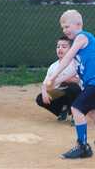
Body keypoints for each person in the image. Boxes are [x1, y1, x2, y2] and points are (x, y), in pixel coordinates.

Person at [45, 9, 95, 159]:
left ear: (78, 24)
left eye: (67, 26)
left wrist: (53, 77)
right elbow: (78, 68)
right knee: (92, 112)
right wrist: (58, 80)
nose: (64, 30)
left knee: (76, 108)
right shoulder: (79, 44)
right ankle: (83, 146)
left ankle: (82, 146)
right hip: (89, 84)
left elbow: (67, 59)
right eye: (62, 27)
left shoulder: (82, 37)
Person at [36, 36, 81, 122]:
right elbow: (46, 83)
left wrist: (63, 79)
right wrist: (44, 91)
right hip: (61, 91)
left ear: (71, 50)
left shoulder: (75, 63)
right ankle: (62, 110)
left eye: (64, 47)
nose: (60, 49)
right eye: (58, 46)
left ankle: (76, 114)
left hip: (78, 93)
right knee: (40, 98)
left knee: (71, 87)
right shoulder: (53, 66)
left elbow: (78, 81)